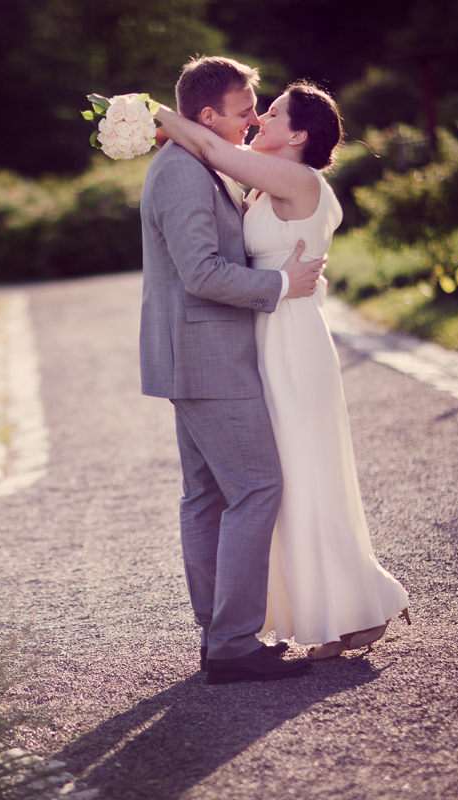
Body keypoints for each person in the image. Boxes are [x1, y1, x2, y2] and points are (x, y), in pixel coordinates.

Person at [152, 72, 411, 661]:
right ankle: (332, 608)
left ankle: (353, 609)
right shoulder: (266, 182)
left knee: (304, 479)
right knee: (282, 485)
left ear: (297, 137)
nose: (259, 120)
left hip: (293, 345)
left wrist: (147, 114)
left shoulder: (298, 180)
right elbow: (217, 143)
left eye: (271, 114)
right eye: (257, 111)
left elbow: (216, 145)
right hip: (261, 341)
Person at [139, 56, 325, 685]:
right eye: (245, 111)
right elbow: (200, 273)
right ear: (208, 116)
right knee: (256, 487)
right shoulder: (183, 175)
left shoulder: (195, 165)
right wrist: (281, 284)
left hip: (195, 356)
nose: (252, 120)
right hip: (208, 358)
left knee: (208, 497)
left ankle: (220, 635)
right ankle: (231, 645)